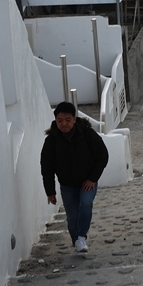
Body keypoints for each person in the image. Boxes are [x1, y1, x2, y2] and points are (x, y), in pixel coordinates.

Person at [41, 102, 109, 254]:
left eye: (67, 119)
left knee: (86, 204)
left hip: (87, 182)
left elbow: (102, 155)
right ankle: (77, 242)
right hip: (67, 186)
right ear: (55, 121)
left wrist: (92, 178)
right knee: (72, 217)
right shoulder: (51, 141)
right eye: (60, 121)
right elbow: (46, 168)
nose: (64, 123)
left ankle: (81, 237)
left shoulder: (87, 134)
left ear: (74, 119)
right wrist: (50, 191)